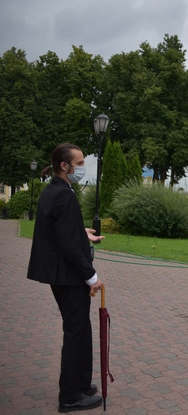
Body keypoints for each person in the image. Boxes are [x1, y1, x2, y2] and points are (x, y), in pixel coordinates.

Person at [27, 143, 104, 413]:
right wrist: (92, 277)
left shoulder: (54, 191)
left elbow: (60, 230)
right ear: (65, 166)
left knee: (81, 329)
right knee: (75, 333)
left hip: (60, 274)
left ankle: (82, 384)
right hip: (68, 276)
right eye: (79, 163)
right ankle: (70, 397)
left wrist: (81, 231)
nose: (82, 167)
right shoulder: (64, 195)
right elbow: (68, 245)